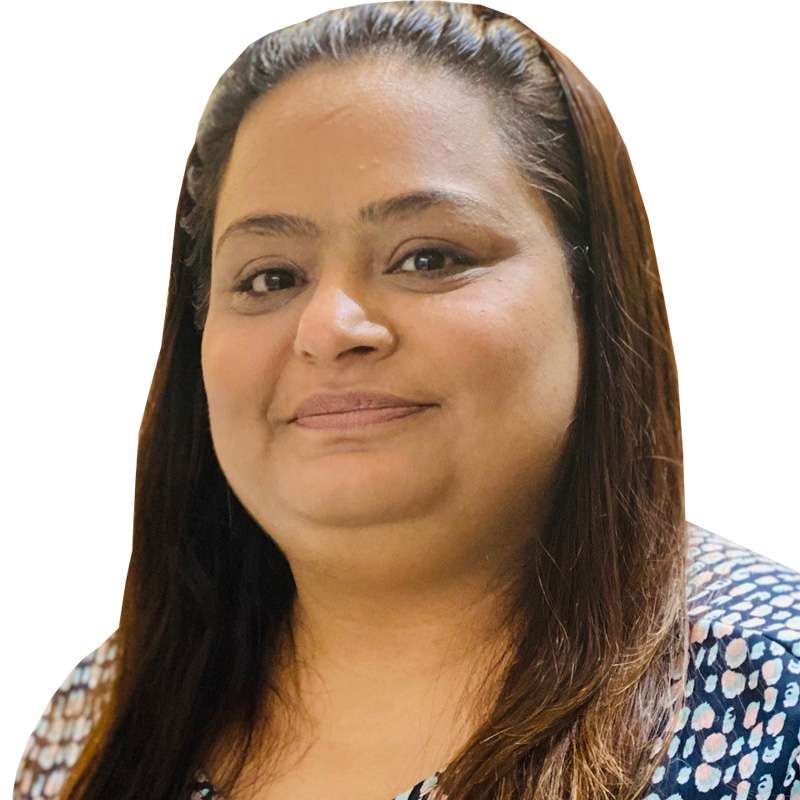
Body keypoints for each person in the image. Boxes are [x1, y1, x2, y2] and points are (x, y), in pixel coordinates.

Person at [13, 3, 800, 799]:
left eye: (428, 258)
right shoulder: (99, 718)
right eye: (271, 277)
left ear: (595, 299)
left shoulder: (775, 700)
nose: (330, 328)